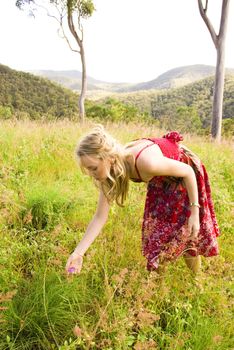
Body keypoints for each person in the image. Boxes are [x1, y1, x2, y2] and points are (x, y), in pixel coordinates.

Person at [65, 125, 220, 275]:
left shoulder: (146, 163)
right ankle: (156, 286)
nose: (92, 174)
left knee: (188, 234)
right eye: (88, 170)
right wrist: (78, 253)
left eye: (93, 168)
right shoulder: (110, 170)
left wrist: (194, 212)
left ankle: (196, 280)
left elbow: (187, 171)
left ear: (110, 158)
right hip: (161, 182)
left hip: (184, 177)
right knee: (157, 238)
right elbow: (100, 217)